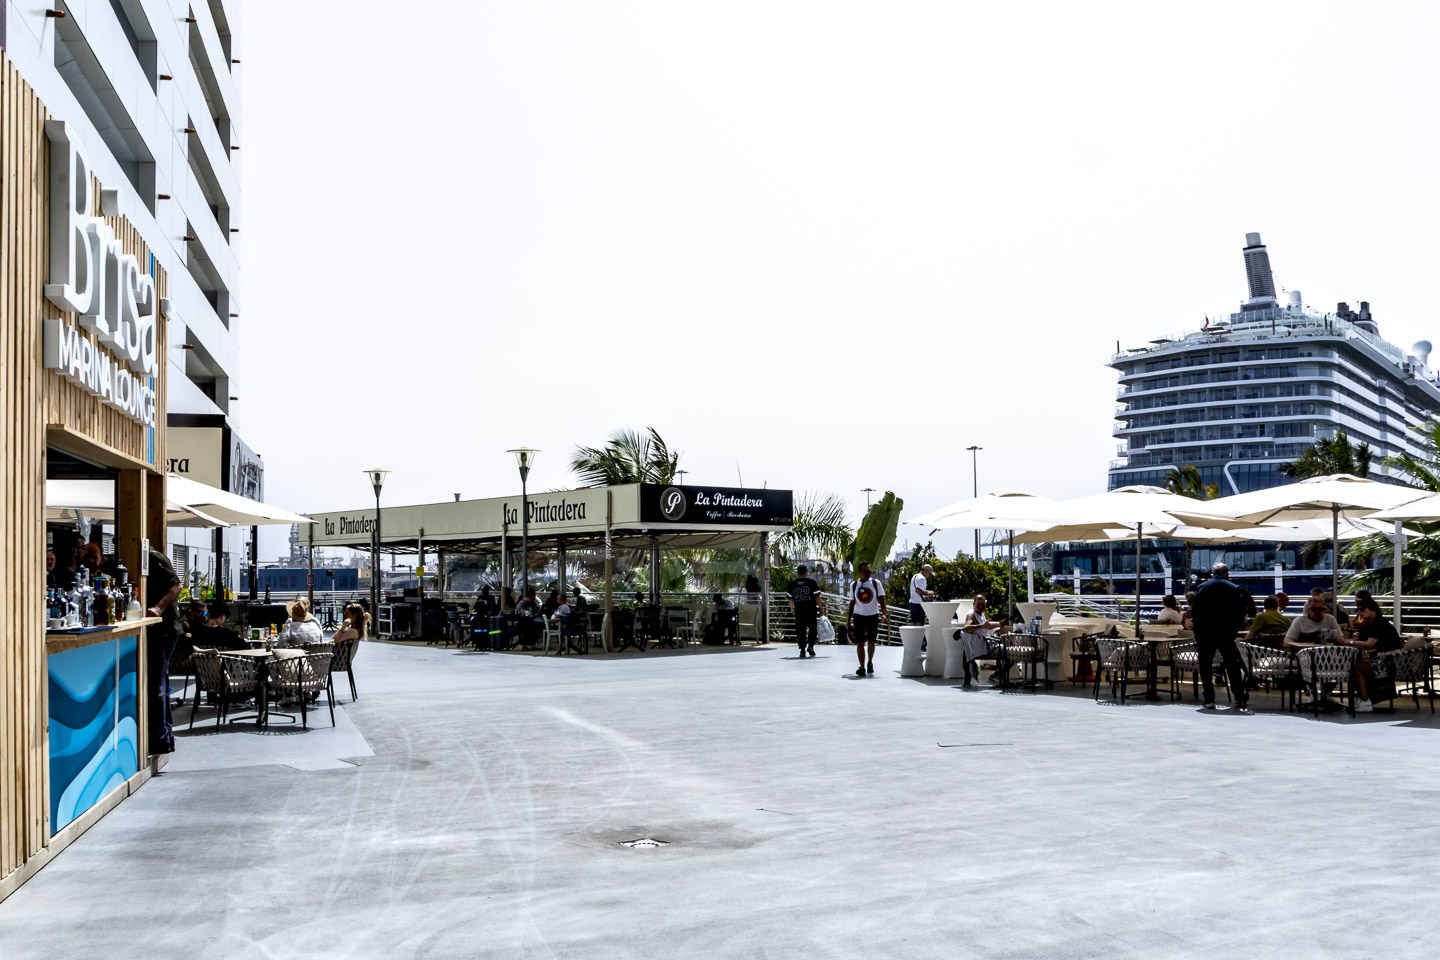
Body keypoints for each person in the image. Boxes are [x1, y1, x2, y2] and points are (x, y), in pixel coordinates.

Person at [1186, 562, 1249, 711]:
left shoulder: (1202, 587)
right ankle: (1238, 697)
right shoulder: (1234, 588)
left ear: (1212, 574)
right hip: (1225, 632)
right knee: (1232, 664)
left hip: (1205, 632)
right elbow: (1241, 611)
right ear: (1227, 574)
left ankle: (1209, 699)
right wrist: (1234, 629)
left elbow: (1196, 610)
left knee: (1205, 666)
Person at [145, 547, 182, 753]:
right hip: (155, 629)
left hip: (165, 629)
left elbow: (176, 585)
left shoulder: (152, 556)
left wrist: (158, 608)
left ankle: (160, 738)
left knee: (156, 683)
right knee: (159, 682)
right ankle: (164, 736)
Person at [1343, 601, 1403, 713]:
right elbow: (1361, 640)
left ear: (1373, 611)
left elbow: (1369, 644)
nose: (1359, 612)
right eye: (1358, 610)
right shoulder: (1369, 624)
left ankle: (1365, 701)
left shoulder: (1379, 623)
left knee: (1356, 667)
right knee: (1354, 664)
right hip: (1381, 658)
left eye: (1362, 610)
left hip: (1389, 661)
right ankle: (1364, 698)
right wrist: (1346, 641)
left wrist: (1347, 642)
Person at [845, 562, 887, 677]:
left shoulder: (876, 583)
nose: (868, 574)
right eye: (865, 572)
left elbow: (881, 600)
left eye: (869, 571)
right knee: (860, 642)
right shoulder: (854, 585)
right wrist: (848, 621)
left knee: (871, 641)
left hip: (873, 616)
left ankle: (870, 662)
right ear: (860, 572)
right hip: (859, 616)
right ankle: (862, 666)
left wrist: (884, 614)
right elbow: (852, 603)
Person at [961, 595, 1007, 685]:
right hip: (983, 647)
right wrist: (982, 626)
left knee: (1011, 651)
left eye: (982, 604)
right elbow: (966, 628)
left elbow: (987, 626)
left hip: (988, 643)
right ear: (973, 604)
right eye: (978, 604)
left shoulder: (981, 613)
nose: (980, 606)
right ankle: (996, 676)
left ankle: (997, 675)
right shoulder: (971, 615)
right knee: (1010, 653)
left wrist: (999, 624)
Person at [788, 564, 822, 658]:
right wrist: (821, 608)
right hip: (811, 609)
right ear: (806, 572)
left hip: (799, 610)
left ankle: (802, 649)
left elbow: (790, 598)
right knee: (812, 628)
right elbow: (817, 596)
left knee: (800, 630)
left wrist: (792, 608)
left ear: (798, 572)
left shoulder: (793, 584)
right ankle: (811, 646)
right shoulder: (811, 582)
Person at [909, 564, 935, 628]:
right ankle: (919, 634)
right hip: (918, 604)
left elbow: (918, 589)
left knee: (914, 623)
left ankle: (914, 634)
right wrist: (928, 594)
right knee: (919, 623)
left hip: (912, 602)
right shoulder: (922, 579)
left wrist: (927, 591)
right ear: (926, 571)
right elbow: (918, 590)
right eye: (929, 574)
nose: (929, 576)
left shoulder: (915, 576)